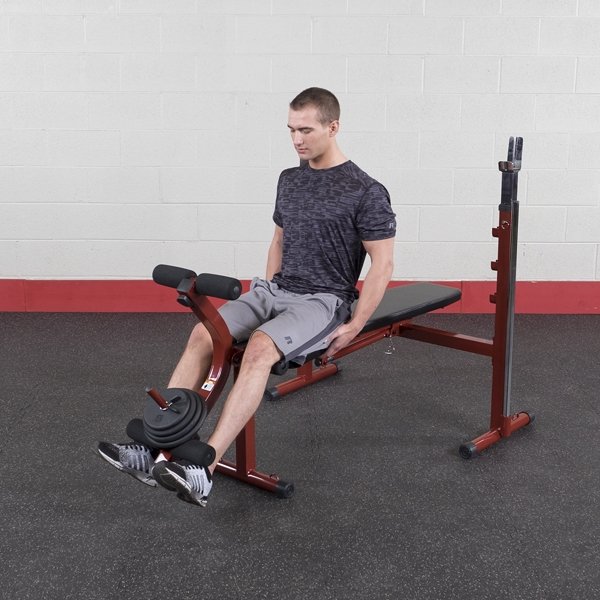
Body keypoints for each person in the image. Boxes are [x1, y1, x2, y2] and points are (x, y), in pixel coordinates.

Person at [98, 87, 397, 507]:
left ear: (333, 127)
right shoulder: (290, 179)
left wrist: (355, 324)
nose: (297, 139)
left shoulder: (366, 190)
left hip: (323, 301)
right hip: (275, 289)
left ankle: (203, 472)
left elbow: (382, 264)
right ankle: (152, 450)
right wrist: (267, 290)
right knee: (204, 334)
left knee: (258, 349)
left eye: (306, 130)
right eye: (291, 130)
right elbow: (279, 240)